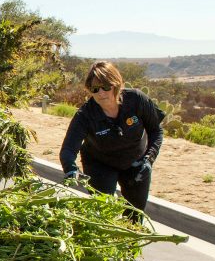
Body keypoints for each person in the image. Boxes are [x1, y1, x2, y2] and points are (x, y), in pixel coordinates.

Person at [59, 61, 164, 219]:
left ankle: (131, 242)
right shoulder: (85, 115)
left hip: (135, 161)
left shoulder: (136, 100)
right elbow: (68, 149)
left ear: (116, 85)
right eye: (95, 89)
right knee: (104, 211)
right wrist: (70, 168)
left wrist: (149, 160)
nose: (101, 93)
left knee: (135, 214)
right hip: (100, 164)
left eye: (106, 87)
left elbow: (156, 130)